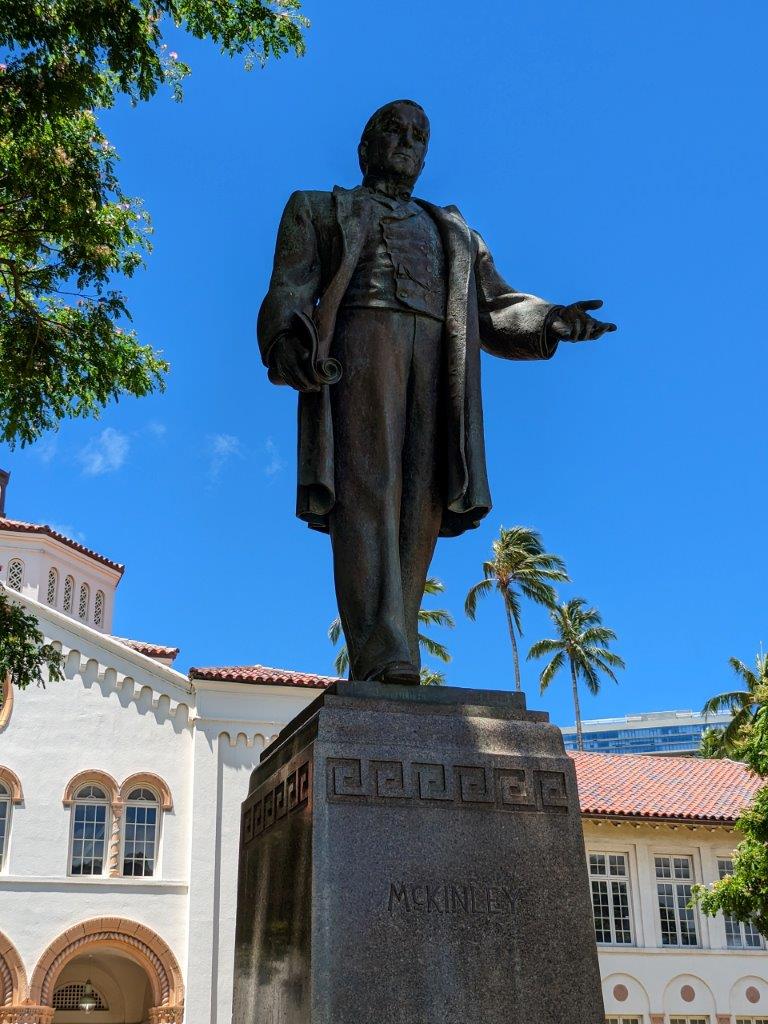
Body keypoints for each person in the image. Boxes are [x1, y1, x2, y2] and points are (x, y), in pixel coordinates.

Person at [258, 100, 615, 685]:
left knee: (422, 499)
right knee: (368, 489)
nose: (406, 141)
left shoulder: (454, 231)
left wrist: (551, 319)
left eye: (418, 135)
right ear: (365, 146)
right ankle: (382, 648)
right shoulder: (319, 209)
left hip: (440, 360)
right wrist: (287, 342)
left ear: (426, 154)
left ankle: (395, 641)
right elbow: (288, 292)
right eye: (393, 130)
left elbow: (498, 307)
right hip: (361, 343)